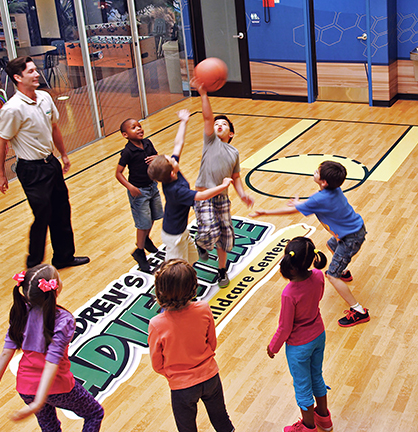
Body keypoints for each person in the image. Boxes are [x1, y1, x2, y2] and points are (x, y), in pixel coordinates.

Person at [0, 264, 104, 431]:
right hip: (59, 387)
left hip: (27, 388)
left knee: (50, 428)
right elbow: (51, 363)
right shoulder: (64, 320)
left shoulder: (20, 312)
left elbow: (5, 354)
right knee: (94, 413)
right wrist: (39, 401)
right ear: (56, 289)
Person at [0, 56, 89, 270]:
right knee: (42, 214)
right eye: (31, 71)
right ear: (17, 77)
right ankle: (34, 265)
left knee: (62, 209)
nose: (37, 74)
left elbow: (55, 127)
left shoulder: (45, 98)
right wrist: (0, 174)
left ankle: (64, 257)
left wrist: (63, 154)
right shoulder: (12, 109)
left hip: (51, 164)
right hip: (31, 170)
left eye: (36, 70)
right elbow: (2, 142)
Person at [252, 160, 370, 327]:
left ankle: (359, 311)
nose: (315, 171)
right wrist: (301, 204)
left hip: (350, 239)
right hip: (354, 231)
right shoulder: (334, 190)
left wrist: (266, 212)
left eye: (317, 172)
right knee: (330, 245)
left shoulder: (320, 198)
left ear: (324, 182)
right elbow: (315, 204)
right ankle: (343, 271)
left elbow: (294, 210)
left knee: (331, 275)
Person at [148, 259, 234, 432]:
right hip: (211, 377)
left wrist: (175, 375)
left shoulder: (156, 324)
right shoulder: (204, 308)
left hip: (181, 388)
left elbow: (157, 365)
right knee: (221, 419)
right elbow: (212, 343)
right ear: (193, 287)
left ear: (159, 290)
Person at [147, 109, 232, 264]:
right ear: (173, 173)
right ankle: (168, 287)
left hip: (181, 231)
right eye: (171, 160)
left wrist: (183, 122)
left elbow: (178, 144)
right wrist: (223, 185)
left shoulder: (171, 174)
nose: (174, 158)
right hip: (174, 236)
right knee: (175, 268)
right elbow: (202, 196)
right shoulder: (176, 190)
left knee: (192, 259)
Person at [192, 80, 254, 288]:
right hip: (203, 195)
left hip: (222, 197)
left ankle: (221, 271)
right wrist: (203, 94)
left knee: (224, 236)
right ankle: (200, 243)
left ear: (231, 134)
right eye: (217, 124)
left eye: (224, 124)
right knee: (209, 230)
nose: (219, 125)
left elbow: (236, 177)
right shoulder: (210, 141)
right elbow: (208, 116)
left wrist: (242, 194)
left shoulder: (234, 152)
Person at [268, 236, 333, 432]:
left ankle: (308, 427)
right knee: (317, 377)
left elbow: (285, 328)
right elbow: (318, 298)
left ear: (291, 266)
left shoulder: (289, 293)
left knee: (303, 386)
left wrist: (273, 347)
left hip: (298, 347)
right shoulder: (318, 276)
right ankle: (324, 419)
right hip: (319, 335)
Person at [116, 117, 163, 273]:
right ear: (125, 135)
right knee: (143, 223)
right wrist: (130, 187)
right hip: (139, 192)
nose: (139, 129)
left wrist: (158, 158)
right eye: (133, 127)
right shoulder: (127, 152)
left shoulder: (148, 143)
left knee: (154, 216)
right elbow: (118, 173)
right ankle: (140, 251)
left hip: (152, 186)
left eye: (140, 126)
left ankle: (146, 240)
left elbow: (156, 158)